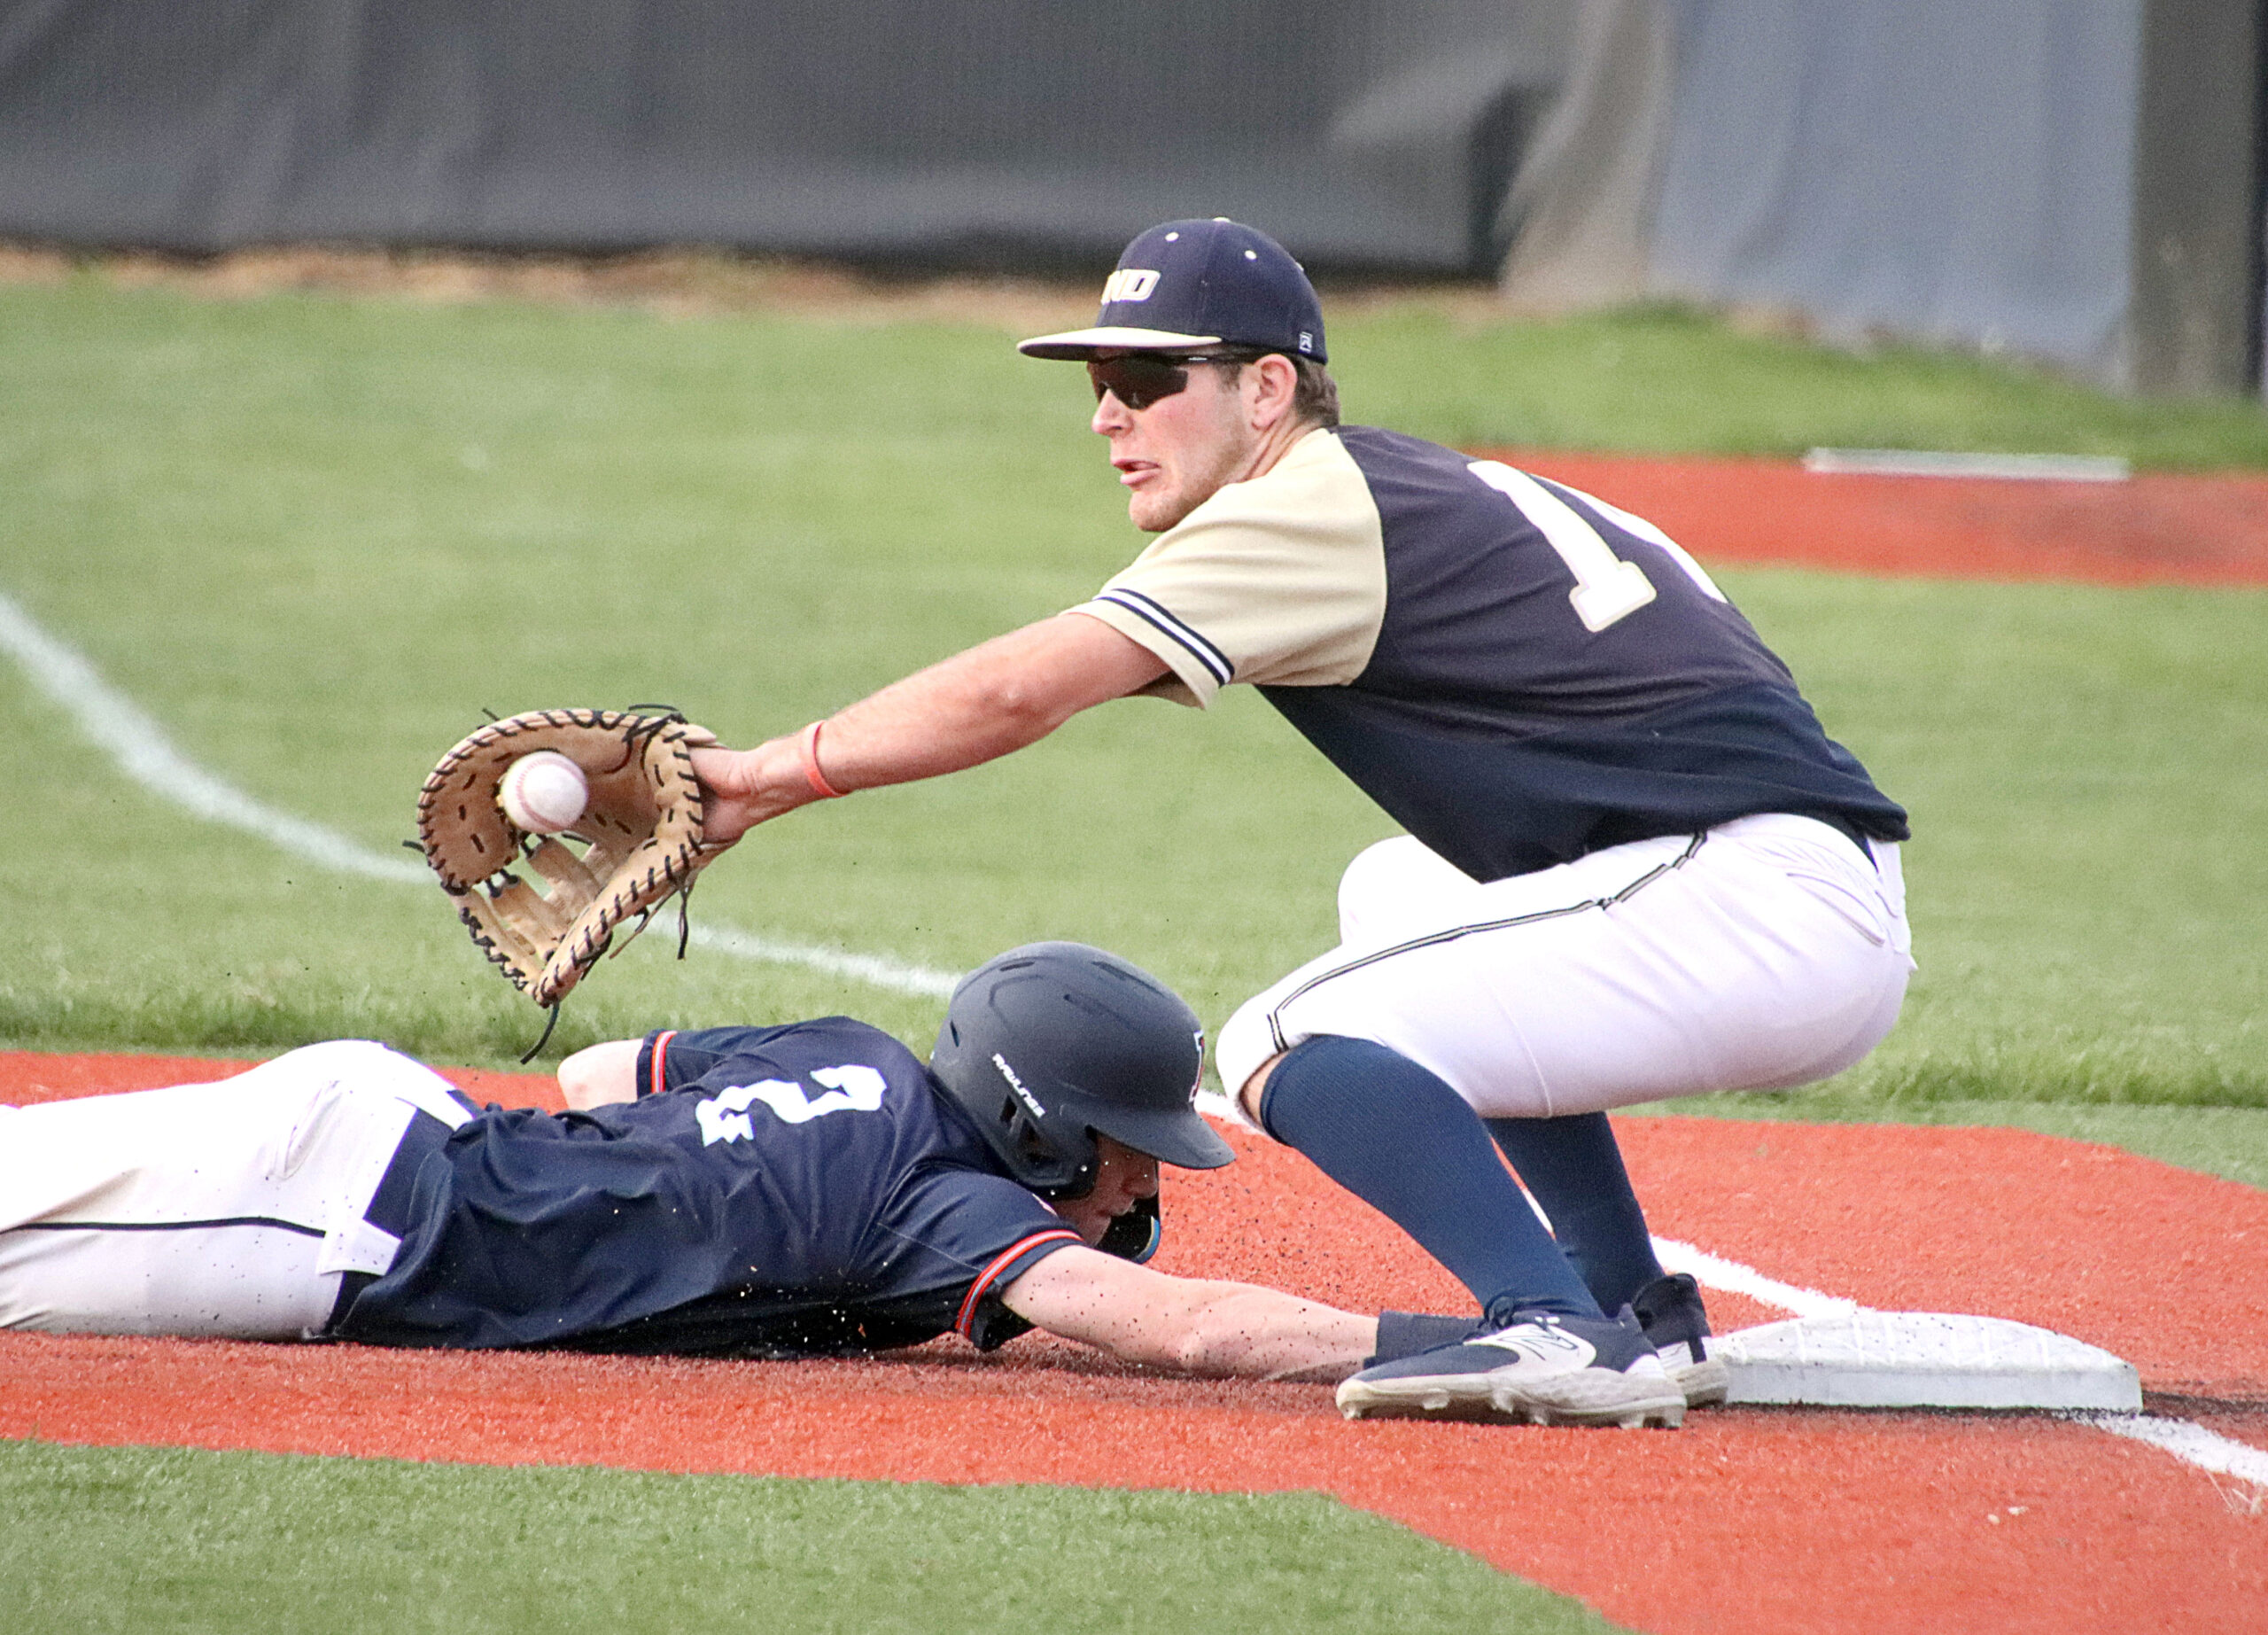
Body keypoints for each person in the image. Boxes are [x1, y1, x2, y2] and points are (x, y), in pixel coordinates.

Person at [690, 218, 1912, 1429]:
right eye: (1102, 383)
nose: (1108, 414)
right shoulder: (1407, 490)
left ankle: (1548, 1322)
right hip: (1772, 889)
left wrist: (765, 776)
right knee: (1402, 890)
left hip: (1752, 897)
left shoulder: (1303, 505)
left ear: (1267, 387)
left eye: (1148, 378)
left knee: (1286, 1031)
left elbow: (1025, 688)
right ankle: (1630, 1308)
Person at [2, 943, 1430, 1400]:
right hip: (345, 1216)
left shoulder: (853, 1050)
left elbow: (595, 1077)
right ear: (1035, 1119)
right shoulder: (944, 1204)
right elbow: (1190, 1328)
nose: (1138, 1193)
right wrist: (1469, 1342)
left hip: (386, 1129)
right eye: (1123, 1155)